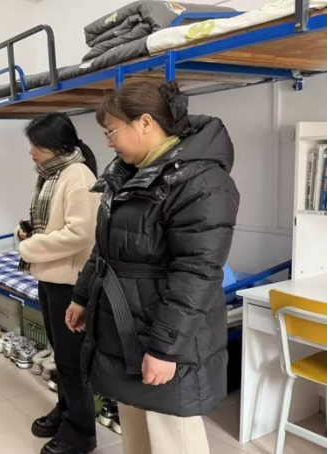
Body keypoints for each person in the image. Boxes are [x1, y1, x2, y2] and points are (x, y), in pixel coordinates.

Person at [66, 81, 240, 454]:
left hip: (167, 332)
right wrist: (82, 296)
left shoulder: (202, 182)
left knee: (171, 435)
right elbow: (106, 246)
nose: (108, 142)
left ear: (145, 122)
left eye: (111, 131)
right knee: (135, 429)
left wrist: (165, 350)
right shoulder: (128, 174)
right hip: (124, 325)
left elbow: (197, 272)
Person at [15, 113, 99, 454]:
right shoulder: (52, 175)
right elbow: (53, 224)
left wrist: (29, 247)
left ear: (57, 145)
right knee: (61, 355)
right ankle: (66, 412)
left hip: (70, 284)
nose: (31, 152)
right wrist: (29, 232)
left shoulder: (78, 176)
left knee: (72, 360)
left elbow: (81, 234)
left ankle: (81, 434)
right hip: (50, 277)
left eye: (36, 145)